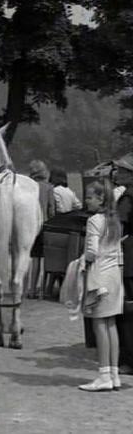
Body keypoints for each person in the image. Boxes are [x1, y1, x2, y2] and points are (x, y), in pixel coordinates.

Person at [78, 180, 124, 392]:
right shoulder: (114, 220)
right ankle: (114, 374)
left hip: (100, 277)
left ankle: (104, 374)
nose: (86, 201)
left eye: (89, 197)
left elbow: (92, 252)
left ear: (100, 199)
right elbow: (118, 253)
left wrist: (80, 261)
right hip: (115, 276)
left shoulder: (95, 220)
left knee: (99, 325)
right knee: (111, 324)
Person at [113, 153, 133, 372]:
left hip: (129, 256)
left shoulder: (127, 197)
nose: (117, 174)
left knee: (127, 310)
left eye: (121, 171)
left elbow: (118, 225)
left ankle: (128, 359)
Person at [27, 159, 57, 299]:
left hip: (30, 225)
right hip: (44, 225)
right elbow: (51, 209)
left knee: (33, 259)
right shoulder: (48, 188)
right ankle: (43, 290)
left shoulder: (27, 187)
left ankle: (31, 289)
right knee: (45, 259)